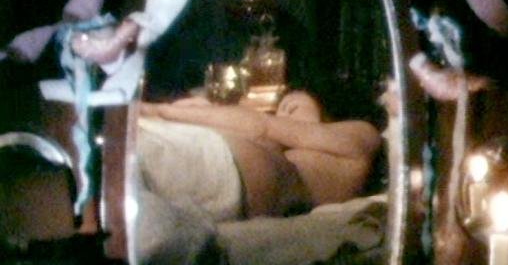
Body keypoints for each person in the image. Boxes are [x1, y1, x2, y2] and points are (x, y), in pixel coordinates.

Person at [139, 90, 381, 219]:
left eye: (296, 105)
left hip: (229, 176)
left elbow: (261, 126)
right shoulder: (291, 151)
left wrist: (161, 111)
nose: (286, 111)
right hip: (224, 171)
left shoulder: (366, 135)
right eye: (283, 108)